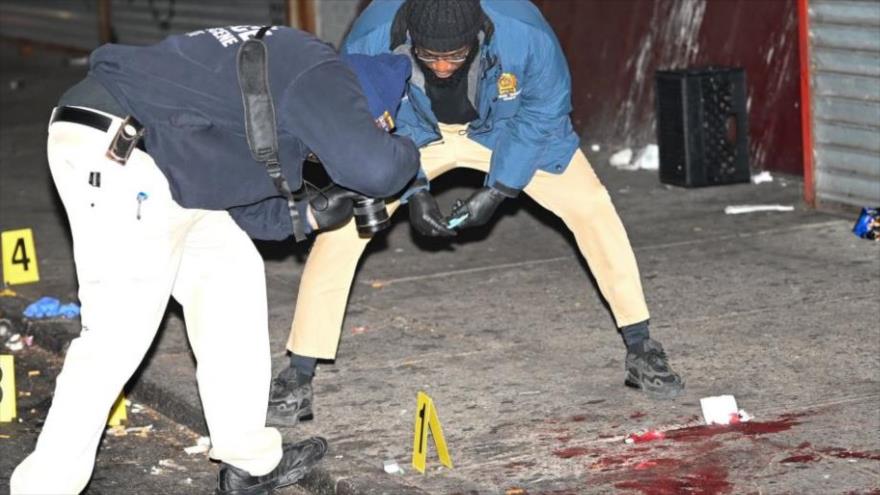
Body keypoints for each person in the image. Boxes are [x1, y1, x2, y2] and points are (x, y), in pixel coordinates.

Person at [10, 25, 419, 495]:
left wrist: (307, 215)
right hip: (122, 146)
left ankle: (249, 460)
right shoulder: (321, 73)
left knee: (231, 280)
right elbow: (376, 167)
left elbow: (236, 189)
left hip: (169, 159)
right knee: (117, 336)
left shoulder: (289, 92)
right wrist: (410, 155)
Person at [267, 0, 684, 427]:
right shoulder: (371, 38)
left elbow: (543, 114)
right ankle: (298, 372)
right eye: (428, 56)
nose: (442, 67)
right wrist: (413, 189)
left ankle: (641, 345)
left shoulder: (526, 33)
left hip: (507, 130)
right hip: (414, 135)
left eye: (454, 56)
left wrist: (500, 189)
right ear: (410, 38)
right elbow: (365, 121)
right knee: (341, 232)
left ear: (479, 37)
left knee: (592, 205)